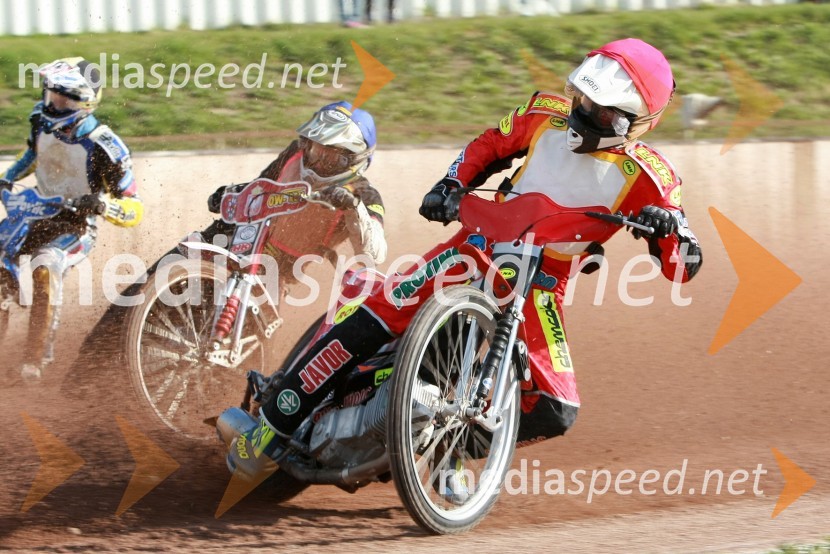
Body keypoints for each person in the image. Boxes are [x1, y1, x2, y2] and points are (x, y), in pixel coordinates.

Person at [227, 39, 703, 487]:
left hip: (541, 283)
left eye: (603, 111)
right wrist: (449, 185)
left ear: (640, 122)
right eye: (583, 99)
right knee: (374, 317)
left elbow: (681, 265)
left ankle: (441, 447)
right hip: (475, 246)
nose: (585, 113)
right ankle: (266, 428)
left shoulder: (651, 176)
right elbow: (488, 146)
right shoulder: (543, 112)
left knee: (557, 408)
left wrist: (669, 229)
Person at [0, 57, 143, 380]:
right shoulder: (40, 119)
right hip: (37, 210)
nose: (52, 103)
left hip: (76, 226)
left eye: (62, 98)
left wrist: (103, 206)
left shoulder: (106, 146)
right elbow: (33, 156)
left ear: (83, 102)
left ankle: (34, 362)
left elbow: (134, 207)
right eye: (51, 94)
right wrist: (7, 177)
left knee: (45, 265)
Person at [204, 101, 387, 291]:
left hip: (279, 267)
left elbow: (373, 256)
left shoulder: (365, 194)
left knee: (258, 308)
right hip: (246, 233)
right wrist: (234, 193)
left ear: (354, 160)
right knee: (187, 251)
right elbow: (262, 185)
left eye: (332, 156)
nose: (319, 162)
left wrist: (353, 209)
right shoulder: (295, 153)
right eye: (316, 151)